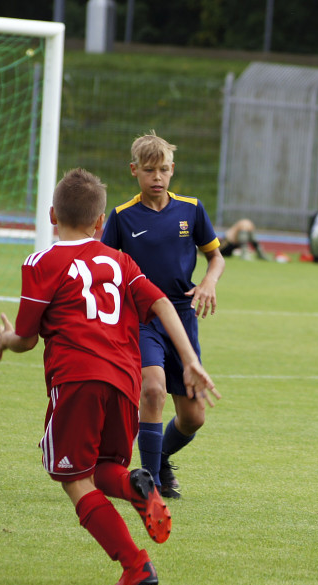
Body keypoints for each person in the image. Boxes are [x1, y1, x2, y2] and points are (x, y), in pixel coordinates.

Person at [0, 168, 220, 585]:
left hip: (78, 377)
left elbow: (26, 339)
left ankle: (136, 566)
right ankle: (138, 486)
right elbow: (161, 305)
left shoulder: (41, 262)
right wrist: (190, 359)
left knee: (71, 477)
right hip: (123, 380)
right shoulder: (120, 261)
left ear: (51, 215)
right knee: (103, 470)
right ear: (101, 223)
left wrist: (7, 338)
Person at [101, 131, 225, 500]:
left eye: (164, 170)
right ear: (134, 171)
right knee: (152, 390)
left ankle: (160, 458)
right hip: (141, 319)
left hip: (182, 319)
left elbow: (215, 256)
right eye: (150, 170)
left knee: (193, 418)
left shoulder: (191, 209)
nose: (157, 177)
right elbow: (105, 265)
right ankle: (149, 485)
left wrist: (208, 282)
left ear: (173, 170)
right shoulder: (122, 217)